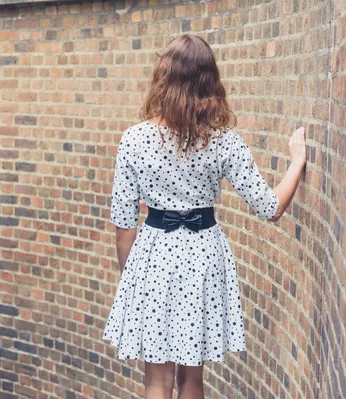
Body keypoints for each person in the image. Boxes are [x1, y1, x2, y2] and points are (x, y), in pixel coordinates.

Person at [101, 34, 307, 399]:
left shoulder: (133, 140)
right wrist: (296, 162)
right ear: (209, 83)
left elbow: (123, 222)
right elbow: (270, 207)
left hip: (153, 259)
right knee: (192, 379)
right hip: (202, 258)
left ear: (162, 79)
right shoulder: (224, 142)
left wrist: (131, 276)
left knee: (157, 380)